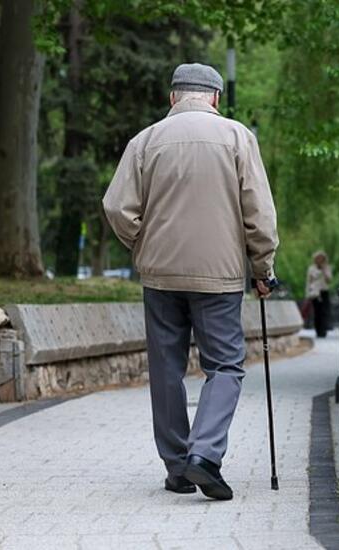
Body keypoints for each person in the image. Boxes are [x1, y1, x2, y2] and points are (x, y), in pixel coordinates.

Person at [102, 63, 279, 501]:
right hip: (218, 277)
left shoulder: (144, 141)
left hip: (160, 275)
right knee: (224, 365)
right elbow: (259, 215)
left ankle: (178, 467)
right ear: (216, 98)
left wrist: (142, 244)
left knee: (166, 369)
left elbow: (116, 207)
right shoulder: (238, 137)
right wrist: (263, 269)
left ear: (173, 97)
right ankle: (204, 455)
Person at [305, 251, 332, 338]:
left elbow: (329, 280)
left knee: (324, 311)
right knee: (317, 312)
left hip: (324, 292)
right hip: (315, 293)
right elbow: (308, 282)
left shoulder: (327, 268)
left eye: (321, 258)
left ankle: (323, 330)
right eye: (318, 258)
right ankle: (318, 330)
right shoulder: (311, 268)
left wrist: (324, 270)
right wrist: (308, 294)